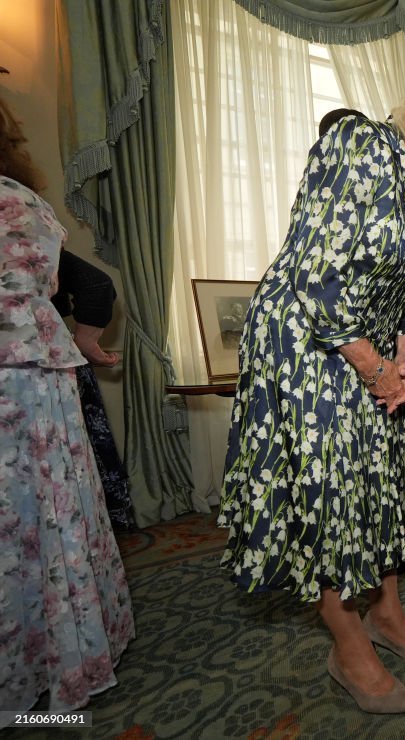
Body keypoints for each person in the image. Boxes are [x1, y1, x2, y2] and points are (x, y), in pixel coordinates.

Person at [218, 55, 405, 714]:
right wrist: (376, 365)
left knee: (379, 485)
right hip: (306, 347)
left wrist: (404, 348)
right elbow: (318, 278)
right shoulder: (356, 147)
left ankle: (387, 613)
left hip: (370, 349)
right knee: (327, 493)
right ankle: (347, 644)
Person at [0, 95, 135, 716]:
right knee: (52, 520)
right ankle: (71, 651)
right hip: (42, 387)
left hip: (19, 386)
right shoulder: (25, 202)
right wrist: (84, 341)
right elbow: (88, 285)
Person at [51, 250, 134, 530]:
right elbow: (97, 284)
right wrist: (86, 342)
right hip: (47, 361)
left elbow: (97, 285)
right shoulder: (25, 219)